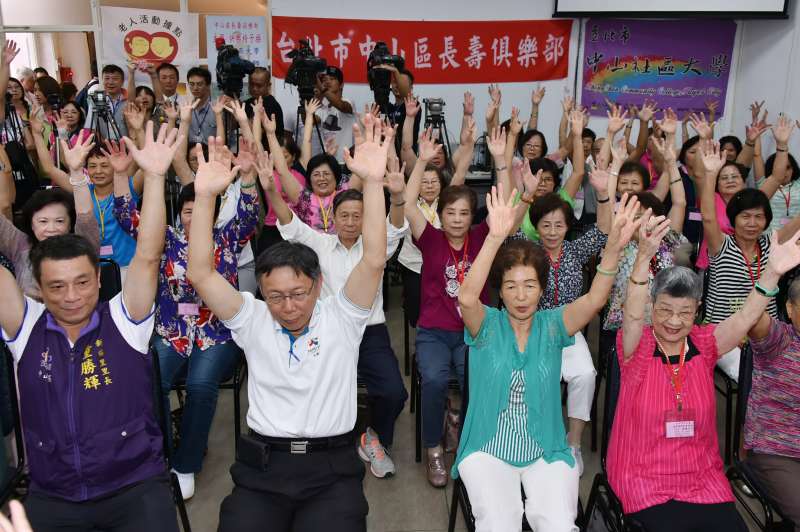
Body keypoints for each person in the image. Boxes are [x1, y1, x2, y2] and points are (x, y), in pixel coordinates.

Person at [187, 116, 394, 532]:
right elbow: (202, 275)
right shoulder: (252, 318)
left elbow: (374, 257)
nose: (288, 306)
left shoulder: (344, 316)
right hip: (263, 468)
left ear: (318, 286)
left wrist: (372, 183)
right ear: (261, 291)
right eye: (276, 296)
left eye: (298, 294)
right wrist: (205, 196)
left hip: (332, 469)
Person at [0, 120, 183, 532]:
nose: (71, 296)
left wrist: (154, 177)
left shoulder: (125, 318)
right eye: (57, 286)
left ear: (99, 280)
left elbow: (149, 255)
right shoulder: (25, 327)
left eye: (82, 282)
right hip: (54, 492)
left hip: (134, 487)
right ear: (39, 290)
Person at [454, 188, 641, 532]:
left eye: (529, 285)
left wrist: (613, 246)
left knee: (557, 524)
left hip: (547, 447)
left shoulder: (553, 324)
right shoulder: (488, 326)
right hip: (488, 448)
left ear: (542, 288)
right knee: (498, 524)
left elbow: (597, 298)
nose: (521, 296)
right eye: (511, 286)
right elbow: (466, 297)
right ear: (500, 290)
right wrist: (495, 237)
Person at [609, 219, 800, 531]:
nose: (673, 321)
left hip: (701, 479)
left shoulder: (704, 344)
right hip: (645, 478)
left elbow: (745, 316)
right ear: (652, 308)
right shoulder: (636, 347)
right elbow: (631, 313)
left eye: (684, 313)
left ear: (696, 311)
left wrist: (773, 272)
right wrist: (643, 257)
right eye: (664, 311)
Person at [114, 136, 258, 500]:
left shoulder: (228, 238)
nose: (194, 215)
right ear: (180, 213)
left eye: (202, 208)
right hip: (172, 331)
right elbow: (127, 215)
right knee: (151, 380)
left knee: (200, 385)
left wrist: (249, 175)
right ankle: (159, 453)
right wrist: (122, 175)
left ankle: (185, 464)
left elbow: (250, 212)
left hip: (218, 334)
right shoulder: (165, 240)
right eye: (188, 210)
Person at [267, 139, 408, 478]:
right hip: (326, 330)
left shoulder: (375, 246)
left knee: (393, 391)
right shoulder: (320, 244)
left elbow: (396, 224)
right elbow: (288, 223)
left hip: (369, 331)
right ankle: (311, 442)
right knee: (305, 384)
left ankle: (374, 437)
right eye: (343, 215)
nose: (349, 222)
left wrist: (399, 197)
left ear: (364, 220)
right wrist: (269, 189)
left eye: (357, 216)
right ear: (333, 219)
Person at [404, 128, 528, 487]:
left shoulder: (481, 237)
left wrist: (501, 162)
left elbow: (504, 205)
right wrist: (423, 160)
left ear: (472, 216)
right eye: (450, 213)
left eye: (463, 213)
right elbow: (409, 204)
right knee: (435, 380)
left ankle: (466, 431)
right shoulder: (429, 238)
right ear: (440, 214)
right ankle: (434, 449)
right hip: (433, 332)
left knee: (478, 380)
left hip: (475, 331)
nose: (457, 219)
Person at [697, 140, 800, 380]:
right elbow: (708, 216)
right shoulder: (721, 245)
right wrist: (711, 174)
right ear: (734, 219)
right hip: (723, 331)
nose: (752, 223)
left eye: (758, 217)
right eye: (745, 217)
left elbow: (796, 224)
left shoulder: (770, 245)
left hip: (768, 333)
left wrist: (783, 144)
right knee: (751, 375)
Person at [30, 112, 143, 270]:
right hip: (92, 269)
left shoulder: (128, 188)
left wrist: (139, 131)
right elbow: (49, 169)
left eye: (104, 166)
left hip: (128, 266)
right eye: (92, 166)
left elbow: (148, 167)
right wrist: (36, 133)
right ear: (86, 169)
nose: (98, 171)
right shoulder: (82, 191)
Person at [0, 133, 100, 298]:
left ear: (70, 225)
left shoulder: (83, 246)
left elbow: (85, 216)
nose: (51, 228)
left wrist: (76, 172)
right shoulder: (20, 245)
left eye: (59, 221)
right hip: (29, 322)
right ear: (31, 224)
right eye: (43, 221)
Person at [745, 278, 800, 528]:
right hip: (776, 451)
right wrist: (771, 273)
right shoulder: (779, 340)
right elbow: (754, 319)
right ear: (790, 308)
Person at [290, 65, 355, 164]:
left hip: (346, 162)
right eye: (324, 80)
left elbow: (341, 106)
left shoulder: (348, 102)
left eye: (332, 79)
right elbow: (307, 121)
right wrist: (305, 98)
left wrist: (321, 87)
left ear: (341, 85)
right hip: (328, 162)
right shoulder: (322, 108)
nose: (327, 82)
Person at [83, 64, 128, 140]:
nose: (110, 82)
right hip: (105, 146)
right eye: (107, 78)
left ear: (122, 81)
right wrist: (103, 143)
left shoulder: (128, 100)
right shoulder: (96, 100)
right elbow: (91, 127)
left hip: (126, 147)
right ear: (102, 80)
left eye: (115, 79)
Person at [244, 67, 284, 135]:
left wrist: (240, 118)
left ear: (268, 86)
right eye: (251, 84)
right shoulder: (247, 103)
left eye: (259, 85)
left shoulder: (272, 105)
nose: (254, 88)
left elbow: (256, 133)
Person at [185, 67, 219, 144]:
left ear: (208, 85)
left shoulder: (217, 108)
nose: (195, 88)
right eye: (192, 84)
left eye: (199, 84)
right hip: (190, 152)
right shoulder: (185, 108)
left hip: (211, 152)